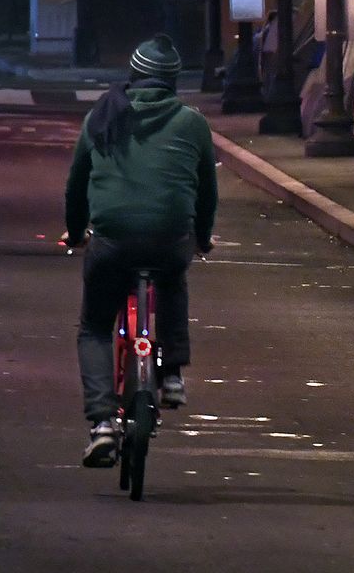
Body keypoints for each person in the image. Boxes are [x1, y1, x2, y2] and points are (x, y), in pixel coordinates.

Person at [63, 34, 217, 468]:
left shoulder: (102, 116)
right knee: (173, 278)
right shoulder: (192, 123)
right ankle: (171, 376)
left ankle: (102, 424)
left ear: (132, 75)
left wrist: (76, 233)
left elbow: (76, 184)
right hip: (170, 240)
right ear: (172, 81)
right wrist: (201, 238)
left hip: (111, 240)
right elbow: (207, 192)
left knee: (94, 326)